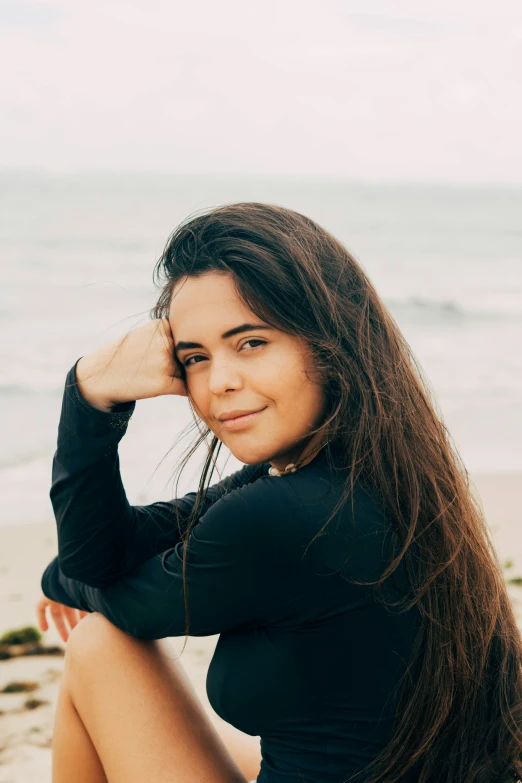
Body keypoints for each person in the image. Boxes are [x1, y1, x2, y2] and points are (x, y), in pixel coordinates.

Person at [37, 203, 522, 783]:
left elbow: (112, 591)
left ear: (327, 339)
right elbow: (118, 551)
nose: (220, 381)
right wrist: (71, 571)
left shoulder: (289, 515)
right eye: (195, 357)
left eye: (250, 343)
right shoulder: (369, 472)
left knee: (99, 647)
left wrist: (87, 394)